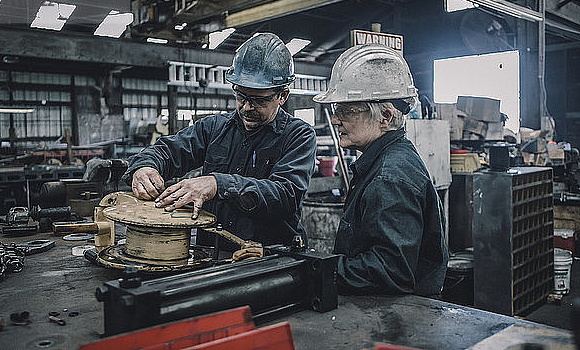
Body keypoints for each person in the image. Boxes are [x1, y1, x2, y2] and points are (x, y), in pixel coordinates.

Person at [122, 33, 316, 248]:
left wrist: (218, 184)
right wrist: (145, 167)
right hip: (212, 253)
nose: (246, 107)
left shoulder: (299, 135)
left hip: (270, 258)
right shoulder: (214, 127)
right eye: (241, 96)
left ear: (283, 95)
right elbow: (167, 151)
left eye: (258, 100)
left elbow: (285, 195)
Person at [313, 44, 448, 297]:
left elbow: (387, 272)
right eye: (336, 110)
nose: (335, 120)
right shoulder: (386, 160)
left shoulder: (390, 176)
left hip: (400, 319)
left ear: (385, 116)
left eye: (346, 110)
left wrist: (315, 270)